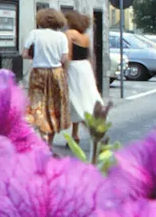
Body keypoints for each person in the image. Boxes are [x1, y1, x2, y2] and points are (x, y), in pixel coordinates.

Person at [23, 8, 70, 146]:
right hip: (56, 73)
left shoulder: (34, 34)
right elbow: (64, 57)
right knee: (55, 106)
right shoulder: (61, 36)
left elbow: (24, 54)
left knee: (37, 105)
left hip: (38, 73)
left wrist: (37, 56)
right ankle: (49, 141)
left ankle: (42, 135)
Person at [62, 10, 102, 145]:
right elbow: (90, 56)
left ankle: (91, 132)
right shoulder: (85, 36)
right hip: (85, 68)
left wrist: (64, 72)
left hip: (74, 68)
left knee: (75, 101)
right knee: (83, 99)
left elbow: (68, 55)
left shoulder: (69, 34)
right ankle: (75, 134)